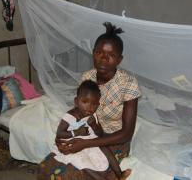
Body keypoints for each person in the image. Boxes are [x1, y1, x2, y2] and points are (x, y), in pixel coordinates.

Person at [38, 22, 141, 180]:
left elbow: (126, 134)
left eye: (111, 55)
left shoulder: (128, 83)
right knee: (47, 167)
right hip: (87, 133)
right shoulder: (87, 77)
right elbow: (79, 112)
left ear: (119, 60)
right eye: (99, 52)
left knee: (73, 174)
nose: (103, 59)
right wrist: (67, 139)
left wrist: (84, 144)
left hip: (113, 139)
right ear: (93, 53)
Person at [55, 80, 131, 180]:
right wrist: (77, 132)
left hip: (88, 141)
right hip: (70, 144)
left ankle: (119, 173)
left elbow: (100, 134)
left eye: (94, 104)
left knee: (104, 147)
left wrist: (94, 125)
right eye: (85, 102)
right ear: (76, 102)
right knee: (82, 162)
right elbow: (59, 134)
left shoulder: (93, 116)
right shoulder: (70, 116)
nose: (90, 107)